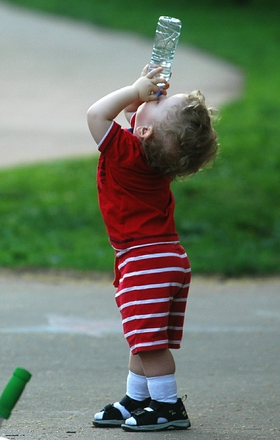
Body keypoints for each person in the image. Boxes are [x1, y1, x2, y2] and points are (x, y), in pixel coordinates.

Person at [86, 65, 219, 432]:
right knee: (143, 338)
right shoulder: (150, 154)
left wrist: (133, 90)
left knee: (149, 343)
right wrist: (142, 97)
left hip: (146, 261)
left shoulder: (129, 153)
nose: (151, 98)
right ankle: (138, 398)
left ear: (143, 132)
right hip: (165, 257)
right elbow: (136, 118)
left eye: (159, 102)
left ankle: (167, 405)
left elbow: (96, 115)